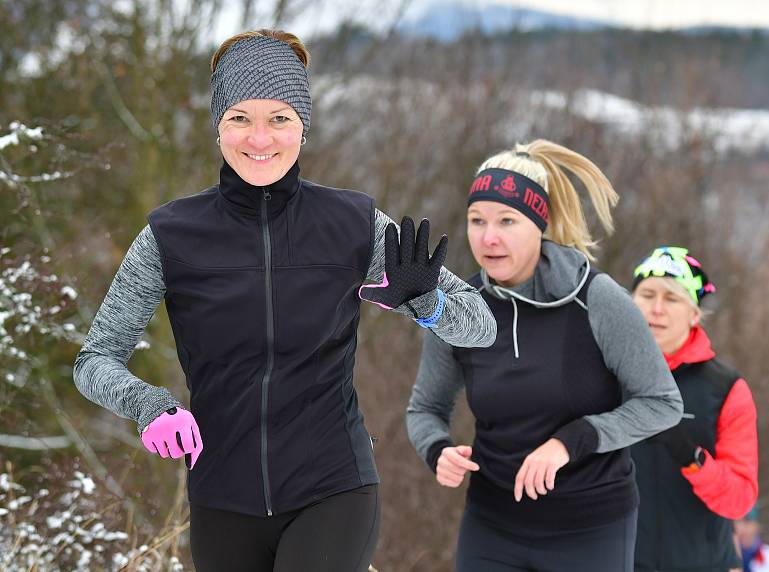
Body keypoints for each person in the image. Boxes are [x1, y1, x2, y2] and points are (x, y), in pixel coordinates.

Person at [73, 29, 496, 572]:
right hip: (221, 498)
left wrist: (427, 302)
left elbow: (481, 326)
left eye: (279, 118)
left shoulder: (352, 224)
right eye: (240, 118)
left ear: (303, 126)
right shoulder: (171, 235)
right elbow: (94, 361)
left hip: (333, 487)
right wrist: (148, 405)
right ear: (218, 126)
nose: (259, 138)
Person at [406, 140, 684, 572]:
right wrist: (437, 449)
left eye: (507, 221)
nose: (488, 237)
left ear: (540, 223)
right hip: (491, 524)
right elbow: (426, 408)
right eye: (476, 220)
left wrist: (570, 442)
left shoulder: (597, 299)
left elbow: (662, 403)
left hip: (591, 529)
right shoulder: (456, 308)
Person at [630, 246, 759, 572]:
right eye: (647, 295)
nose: (657, 309)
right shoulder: (601, 373)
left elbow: (740, 499)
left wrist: (692, 458)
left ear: (694, 313)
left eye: (672, 299)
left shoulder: (725, 387)